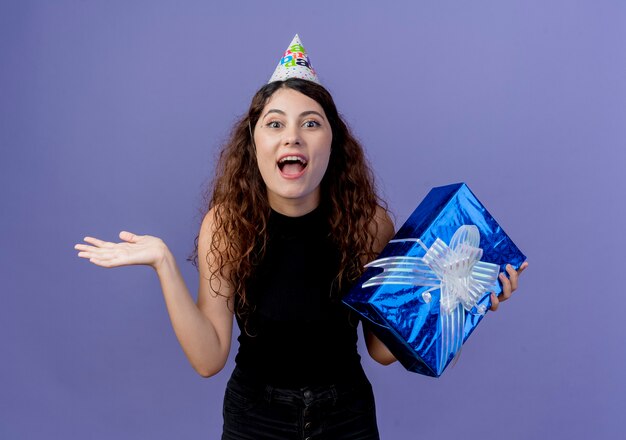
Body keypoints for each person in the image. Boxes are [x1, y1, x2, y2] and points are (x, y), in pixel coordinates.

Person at [75, 35, 527, 440]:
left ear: (333, 142)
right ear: (253, 144)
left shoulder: (368, 223)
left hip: (346, 418)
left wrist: (461, 304)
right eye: (275, 124)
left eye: (311, 123)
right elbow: (209, 358)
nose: (292, 136)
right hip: (255, 420)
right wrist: (163, 264)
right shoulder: (227, 223)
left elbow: (382, 350)